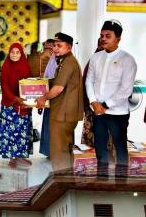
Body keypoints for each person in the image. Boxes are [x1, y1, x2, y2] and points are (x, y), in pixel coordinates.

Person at [85, 20, 137, 178]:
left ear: (118, 39)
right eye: (102, 35)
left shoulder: (127, 59)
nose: (103, 39)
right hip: (98, 111)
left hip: (118, 113)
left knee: (120, 148)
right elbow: (89, 81)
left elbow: (125, 89)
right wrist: (93, 102)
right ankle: (102, 179)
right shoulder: (96, 57)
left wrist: (105, 105)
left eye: (108, 36)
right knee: (100, 148)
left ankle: (121, 182)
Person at [35, 32, 83, 173]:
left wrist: (42, 98)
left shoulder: (68, 63)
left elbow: (58, 88)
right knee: (64, 148)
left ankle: (61, 181)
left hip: (63, 113)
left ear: (69, 47)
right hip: (62, 111)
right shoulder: (62, 61)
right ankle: (67, 181)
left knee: (58, 150)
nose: (55, 48)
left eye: (59, 46)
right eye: (54, 45)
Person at [0, 42, 33, 168]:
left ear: (21, 53)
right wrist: (15, 98)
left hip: (23, 104)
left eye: (17, 52)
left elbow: (30, 85)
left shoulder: (26, 66)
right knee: (10, 132)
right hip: (10, 105)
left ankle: (21, 156)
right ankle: (12, 158)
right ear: (9, 53)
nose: (15, 55)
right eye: (12, 52)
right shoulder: (6, 66)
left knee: (23, 131)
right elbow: (4, 87)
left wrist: (30, 100)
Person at [38, 39, 57, 158]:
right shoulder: (49, 60)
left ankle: (55, 152)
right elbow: (44, 79)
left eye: (51, 48)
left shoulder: (61, 61)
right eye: (47, 49)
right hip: (48, 97)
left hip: (57, 98)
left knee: (56, 126)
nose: (49, 51)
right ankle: (49, 152)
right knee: (48, 124)